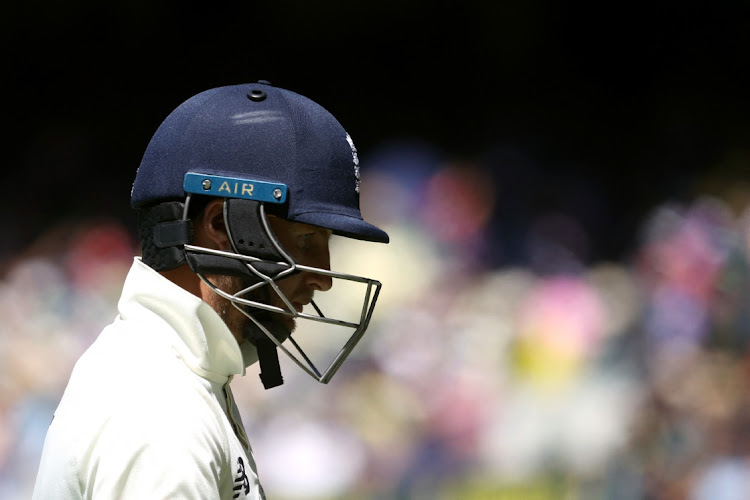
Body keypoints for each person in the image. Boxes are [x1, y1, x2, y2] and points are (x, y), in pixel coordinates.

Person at [32, 81, 389, 499]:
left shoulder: (176, 374)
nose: (323, 277)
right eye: (307, 239)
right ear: (221, 227)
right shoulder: (161, 416)